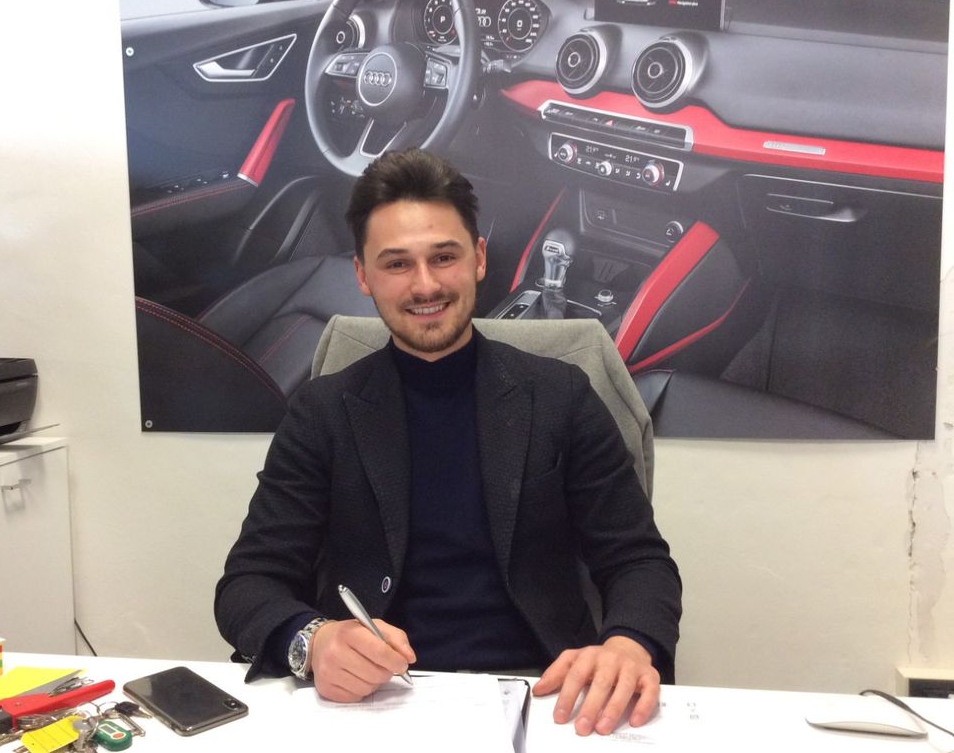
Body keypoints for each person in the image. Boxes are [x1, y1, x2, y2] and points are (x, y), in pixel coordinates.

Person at [214, 148, 682, 737]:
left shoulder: (560, 394)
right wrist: (311, 641)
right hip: (373, 699)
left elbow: (638, 560)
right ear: (362, 274)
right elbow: (248, 584)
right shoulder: (322, 411)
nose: (426, 285)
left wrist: (629, 643)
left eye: (444, 257)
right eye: (396, 264)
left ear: (479, 258)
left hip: (543, 695)